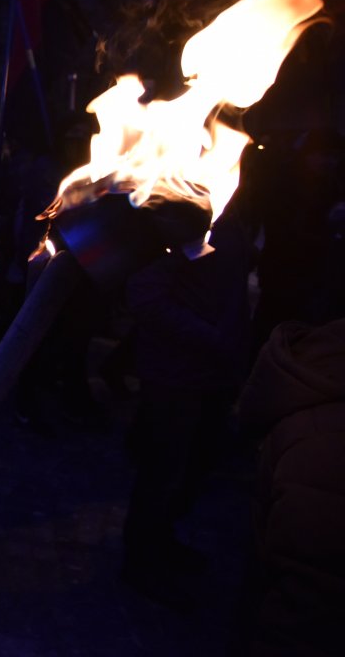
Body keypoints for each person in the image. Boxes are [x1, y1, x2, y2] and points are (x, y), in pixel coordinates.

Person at [119, 198, 255, 608]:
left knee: (195, 465)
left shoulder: (221, 234)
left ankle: (162, 538)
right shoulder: (160, 244)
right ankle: (141, 561)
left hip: (213, 376)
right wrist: (209, 337)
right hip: (174, 379)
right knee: (162, 472)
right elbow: (144, 297)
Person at [233, 317, 345, 657]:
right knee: (166, 473)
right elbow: (300, 621)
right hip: (181, 372)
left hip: (206, 364)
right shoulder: (326, 447)